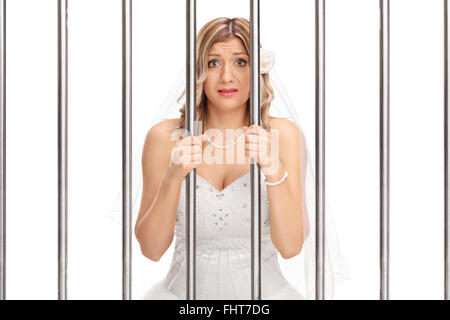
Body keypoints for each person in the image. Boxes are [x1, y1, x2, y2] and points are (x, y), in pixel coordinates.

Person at [128, 17, 350, 300]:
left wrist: (273, 168)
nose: (227, 77)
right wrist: (173, 176)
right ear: (199, 71)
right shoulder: (164, 137)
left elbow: (291, 246)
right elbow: (151, 250)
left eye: (241, 62)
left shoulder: (284, 135)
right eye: (213, 62)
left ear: (258, 69)